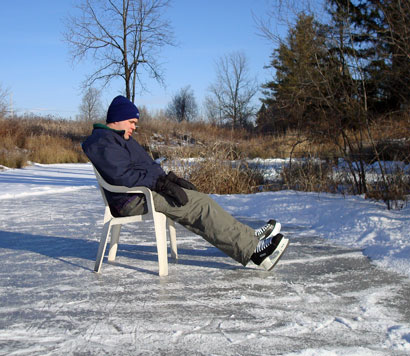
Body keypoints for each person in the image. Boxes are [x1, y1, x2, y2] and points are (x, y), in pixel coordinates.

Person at [82, 95, 289, 271]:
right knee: (199, 207)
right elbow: (123, 176)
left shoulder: (118, 139)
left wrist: (169, 179)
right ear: (118, 119)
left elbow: (146, 167)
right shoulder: (103, 141)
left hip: (142, 192)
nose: (134, 127)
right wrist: (161, 184)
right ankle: (254, 252)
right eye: (132, 122)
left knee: (199, 199)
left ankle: (247, 236)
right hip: (132, 199)